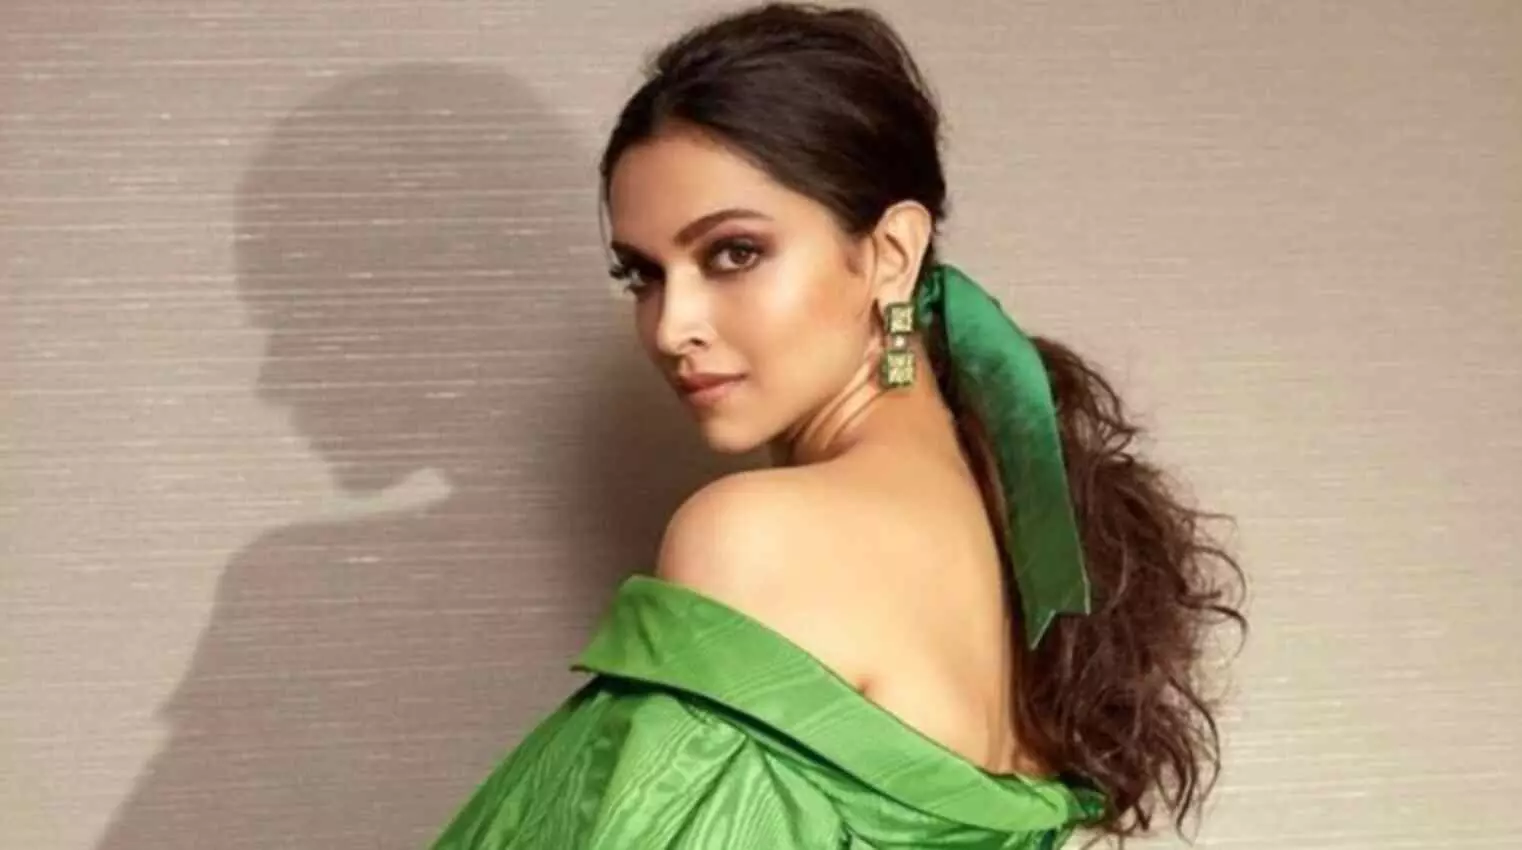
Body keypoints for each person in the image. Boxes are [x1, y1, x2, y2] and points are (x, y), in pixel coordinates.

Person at [430, 3, 1245, 848]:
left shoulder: (756, 535)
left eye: (733, 253)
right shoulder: (1021, 538)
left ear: (892, 253)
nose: (673, 327)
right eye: (644, 275)